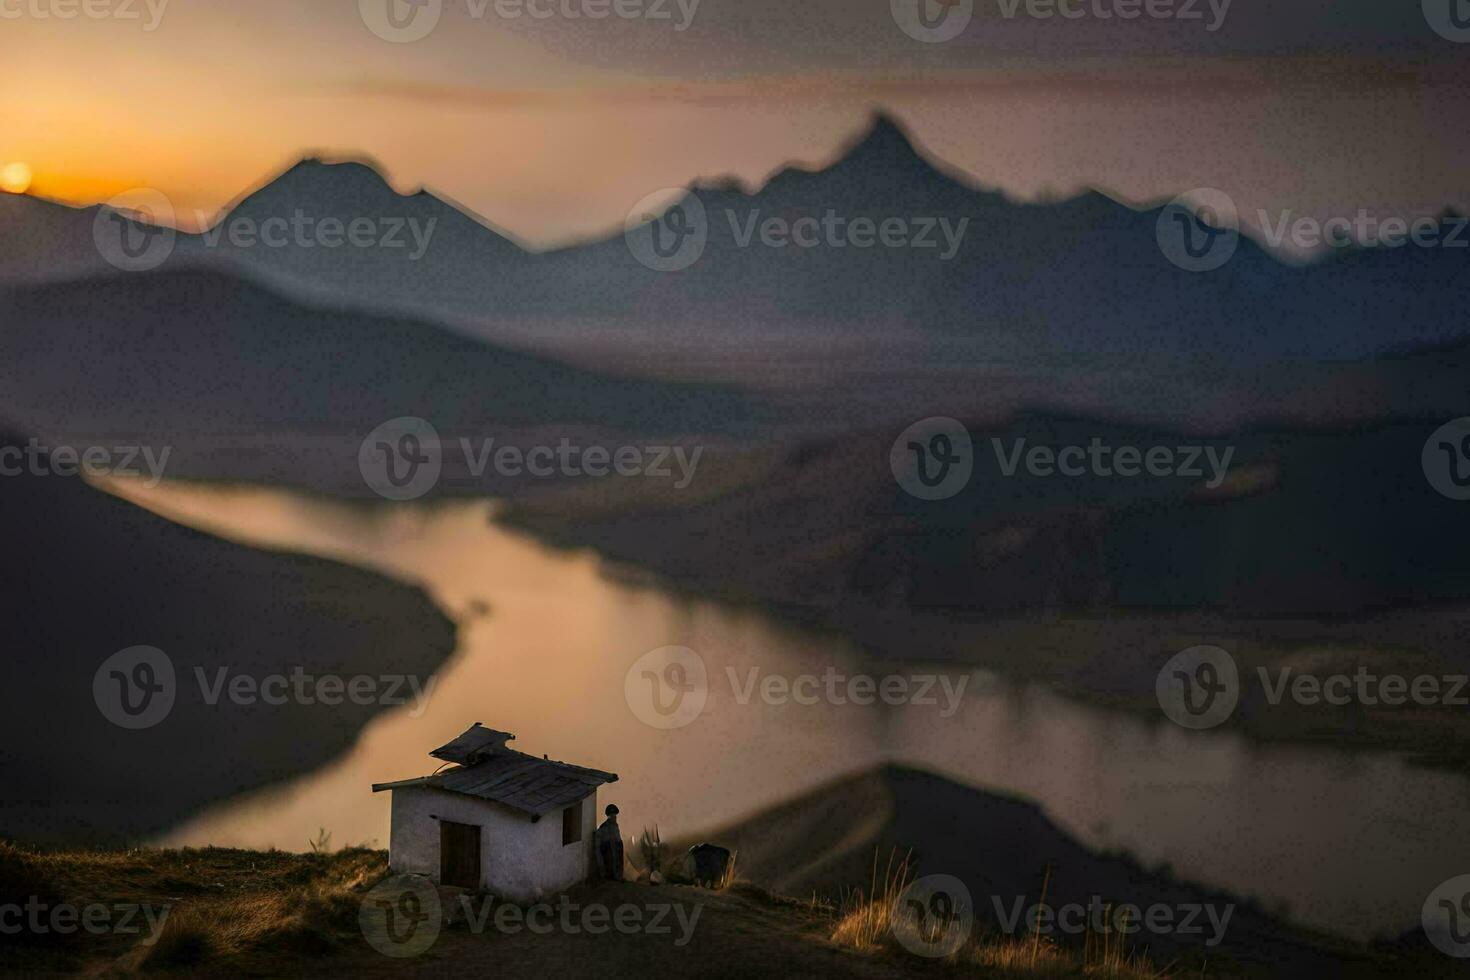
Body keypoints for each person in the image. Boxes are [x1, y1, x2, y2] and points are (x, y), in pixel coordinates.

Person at [594, 803, 624, 880]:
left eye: (615, 816)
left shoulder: (615, 826)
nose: (615, 818)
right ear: (609, 816)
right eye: (613, 816)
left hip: (615, 849)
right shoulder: (603, 827)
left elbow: (618, 839)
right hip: (608, 851)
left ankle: (616, 875)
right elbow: (599, 847)